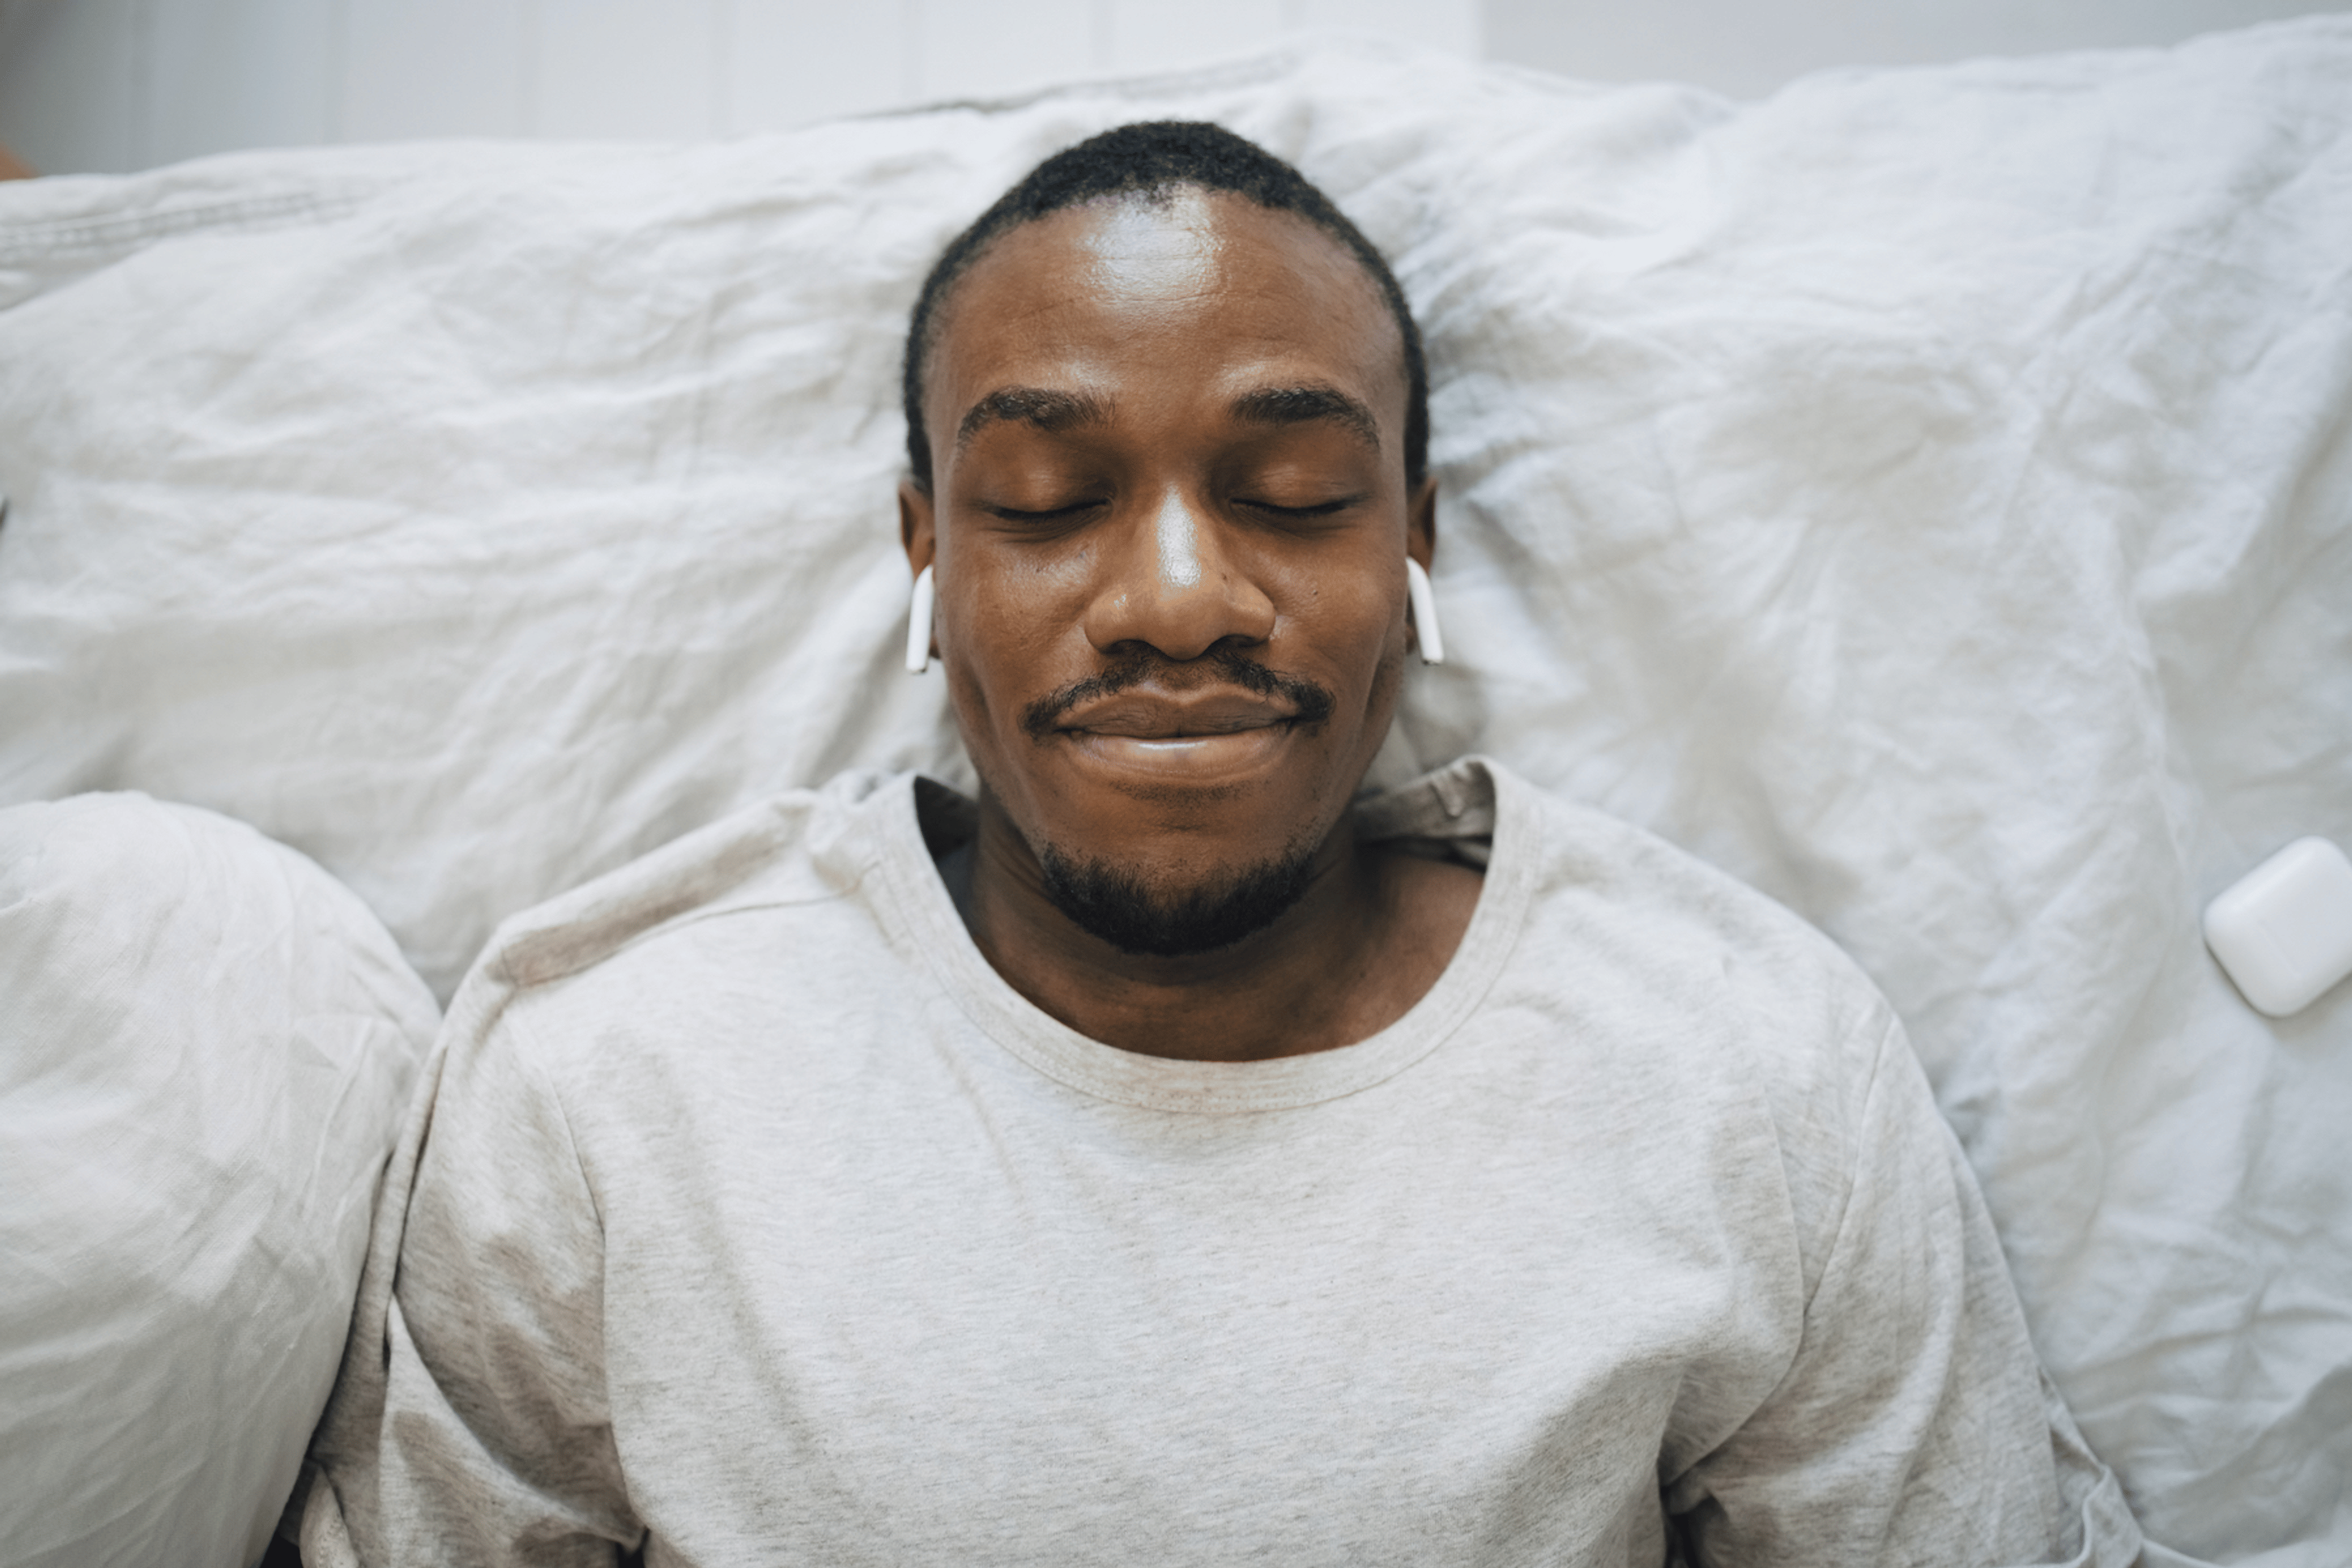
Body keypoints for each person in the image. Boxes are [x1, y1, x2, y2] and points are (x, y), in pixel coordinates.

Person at [306, 121, 2141, 1566]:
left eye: (1292, 497)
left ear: (1407, 545)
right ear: (927, 559)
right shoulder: (612, 1082)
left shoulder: (1746, 1067)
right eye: (1044, 500)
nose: (1179, 598)